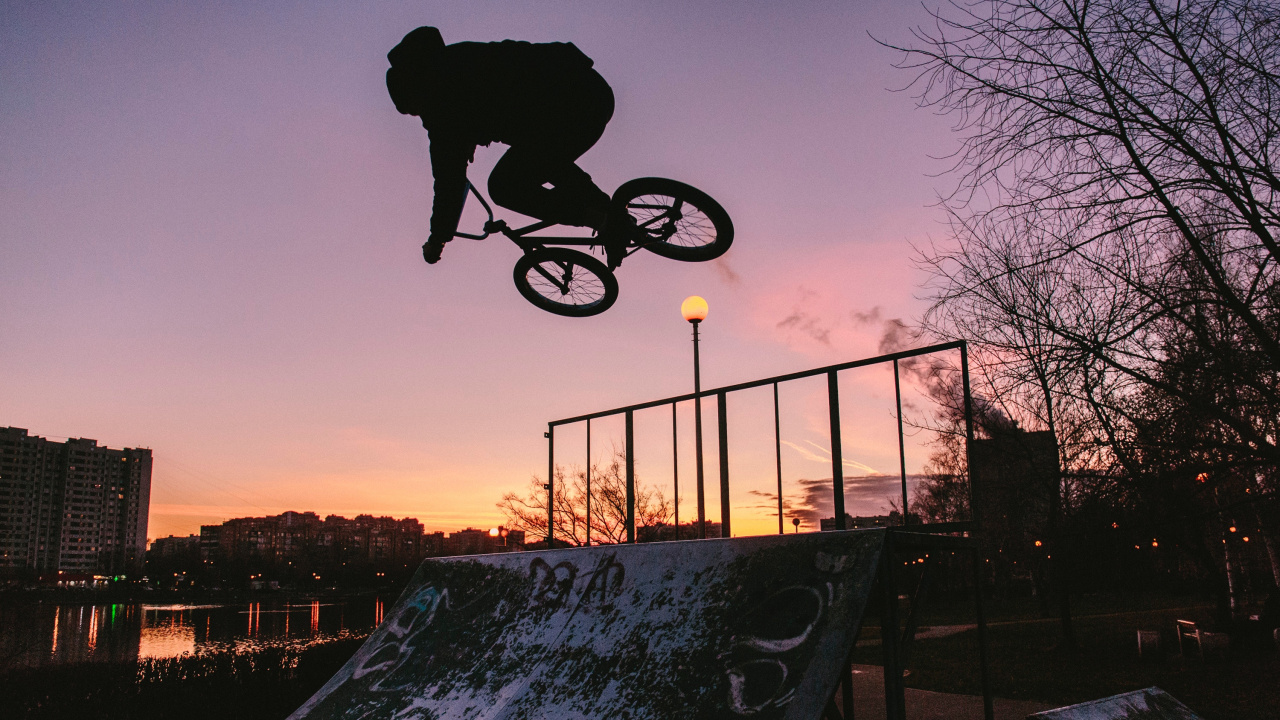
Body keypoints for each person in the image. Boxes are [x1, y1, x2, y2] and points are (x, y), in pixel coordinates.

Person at [386, 26, 629, 266]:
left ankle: (602, 218)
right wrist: (470, 135)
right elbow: (494, 94)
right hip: (590, 91)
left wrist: (438, 239)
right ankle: (608, 213)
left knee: (505, 185)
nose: (420, 117)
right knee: (539, 157)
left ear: (416, 89)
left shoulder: (442, 106)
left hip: (570, 108)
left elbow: (448, 180)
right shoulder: (457, 59)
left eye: (414, 110)